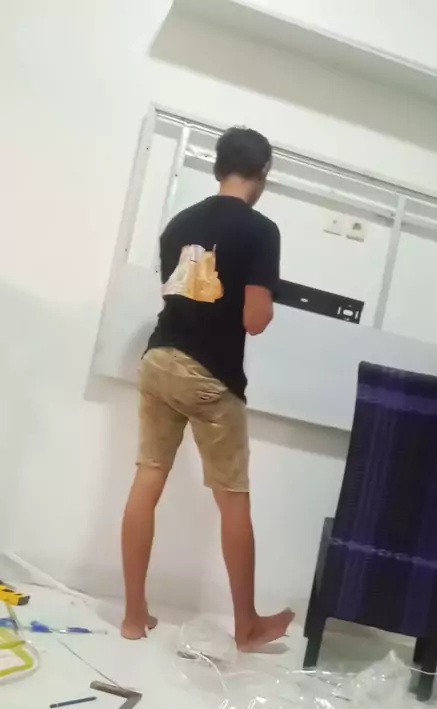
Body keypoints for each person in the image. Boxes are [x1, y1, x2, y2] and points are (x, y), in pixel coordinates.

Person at [121, 126, 294, 648]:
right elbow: (255, 320)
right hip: (211, 375)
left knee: (148, 478)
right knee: (233, 498)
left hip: (159, 358)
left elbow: (174, 293)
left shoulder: (179, 223)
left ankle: (134, 617)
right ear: (262, 173)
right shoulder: (261, 230)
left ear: (220, 167)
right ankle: (247, 625)